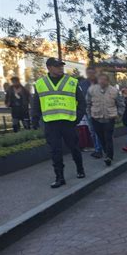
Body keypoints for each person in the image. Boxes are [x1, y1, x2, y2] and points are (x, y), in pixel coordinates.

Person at [32, 58, 86, 188]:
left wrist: (76, 118)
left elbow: (82, 103)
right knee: (55, 151)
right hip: (51, 123)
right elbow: (36, 103)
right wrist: (34, 119)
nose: (60, 68)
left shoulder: (72, 82)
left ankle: (80, 169)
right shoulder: (40, 84)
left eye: (61, 66)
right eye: (57, 66)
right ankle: (59, 177)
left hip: (68, 122)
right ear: (49, 68)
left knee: (74, 147)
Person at [87, 74, 124, 166]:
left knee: (108, 137)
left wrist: (119, 114)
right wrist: (89, 114)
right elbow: (87, 103)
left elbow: (121, 104)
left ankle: (109, 156)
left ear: (108, 81)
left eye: (104, 79)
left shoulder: (114, 91)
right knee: (101, 137)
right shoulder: (92, 90)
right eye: (100, 79)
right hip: (96, 117)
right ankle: (106, 152)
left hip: (109, 118)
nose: (102, 81)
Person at [79, 66, 102, 158]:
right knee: (92, 131)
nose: (91, 75)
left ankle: (98, 149)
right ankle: (98, 147)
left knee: (97, 131)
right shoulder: (82, 84)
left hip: (100, 110)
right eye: (89, 73)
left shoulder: (101, 83)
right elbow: (80, 97)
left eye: (92, 73)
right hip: (88, 111)